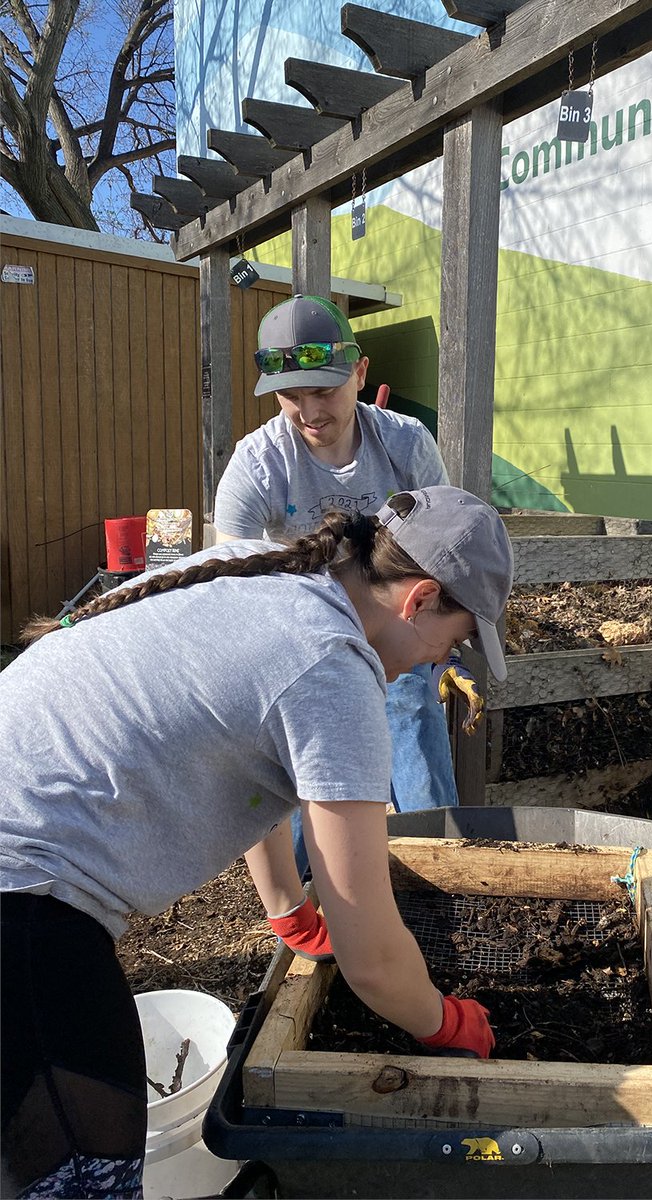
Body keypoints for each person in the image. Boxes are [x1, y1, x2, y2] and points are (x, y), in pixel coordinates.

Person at [0, 485, 513, 1199]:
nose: (437, 663)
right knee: (84, 1182)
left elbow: (255, 771)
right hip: (22, 904)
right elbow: (371, 957)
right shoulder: (332, 665)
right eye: (451, 643)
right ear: (420, 599)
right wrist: (446, 1021)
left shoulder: (264, 572)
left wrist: (287, 908)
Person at [214, 294, 483, 871]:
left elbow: (444, 553)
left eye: (324, 391)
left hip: (391, 626)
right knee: (306, 752)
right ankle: (306, 881)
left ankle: (439, 863)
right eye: (291, 395)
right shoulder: (258, 464)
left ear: (359, 373)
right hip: (299, 640)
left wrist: (446, 651)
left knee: (411, 703)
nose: (309, 412)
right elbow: (231, 589)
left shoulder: (405, 444)